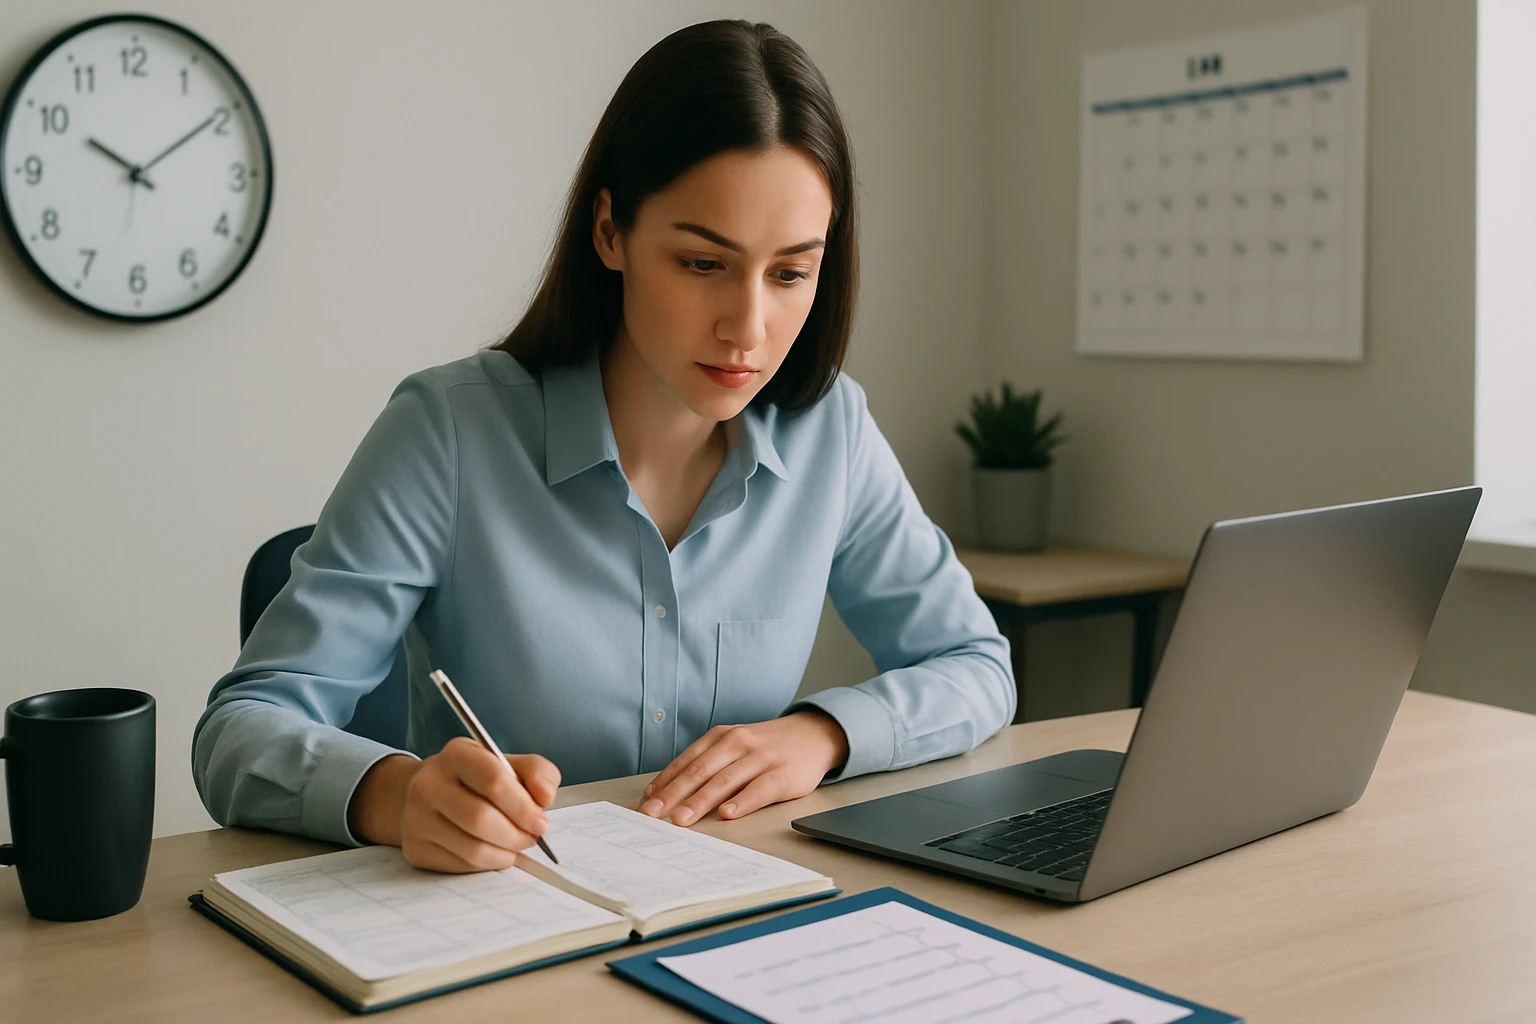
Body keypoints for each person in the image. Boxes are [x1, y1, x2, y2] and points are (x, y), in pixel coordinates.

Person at [193, 19, 1014, 874]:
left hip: (733, 912)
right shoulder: (449, 429)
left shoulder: (830, 431)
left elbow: (976, 666)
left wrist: (822, 735)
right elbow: (239, 731)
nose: (748, 328)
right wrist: (397, 796)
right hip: (506, 936)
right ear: (611, 231)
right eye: (703, 263)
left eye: (790, 273)